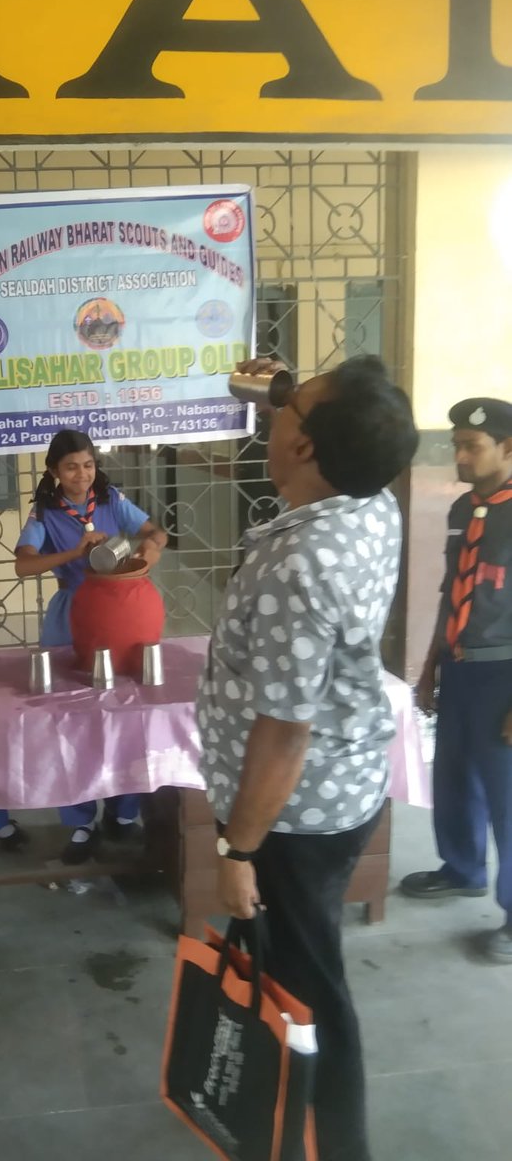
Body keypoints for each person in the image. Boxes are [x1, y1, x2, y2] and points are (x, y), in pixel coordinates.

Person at [196, 356, 418, 1161]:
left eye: (292, 410)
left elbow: (284, 731)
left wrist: (237, 849)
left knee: (306, 991)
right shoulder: (371, 499)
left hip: (293, 815)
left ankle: (332, 1143)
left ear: (308, 451)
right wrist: (288, 389)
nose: (275, 413)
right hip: (333, 788)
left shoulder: (301, 565)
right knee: (286, 971)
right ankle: (270, 1121)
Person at [13, 429, 168, 863]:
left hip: (119, 614)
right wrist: (74, 553)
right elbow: (24, 564)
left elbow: (157, 532)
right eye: (70, 467)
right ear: (53, 472)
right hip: (73, 614)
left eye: (88, 465)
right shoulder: (44, 513)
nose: (82, 475)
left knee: (126, 712)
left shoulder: (113, 500)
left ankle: (123, 811)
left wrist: (151, 550)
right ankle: (79, 820)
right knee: (71, 720)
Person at [400, 398, 512, 964]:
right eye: (456, 445)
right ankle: (462, 868)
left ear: (508, 449)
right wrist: (430, 665)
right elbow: (453, 591)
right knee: (454, 772)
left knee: (507, 796)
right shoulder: (465, 508)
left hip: (504, 673)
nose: (460, 455)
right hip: (462, 663)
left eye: (472, 446)